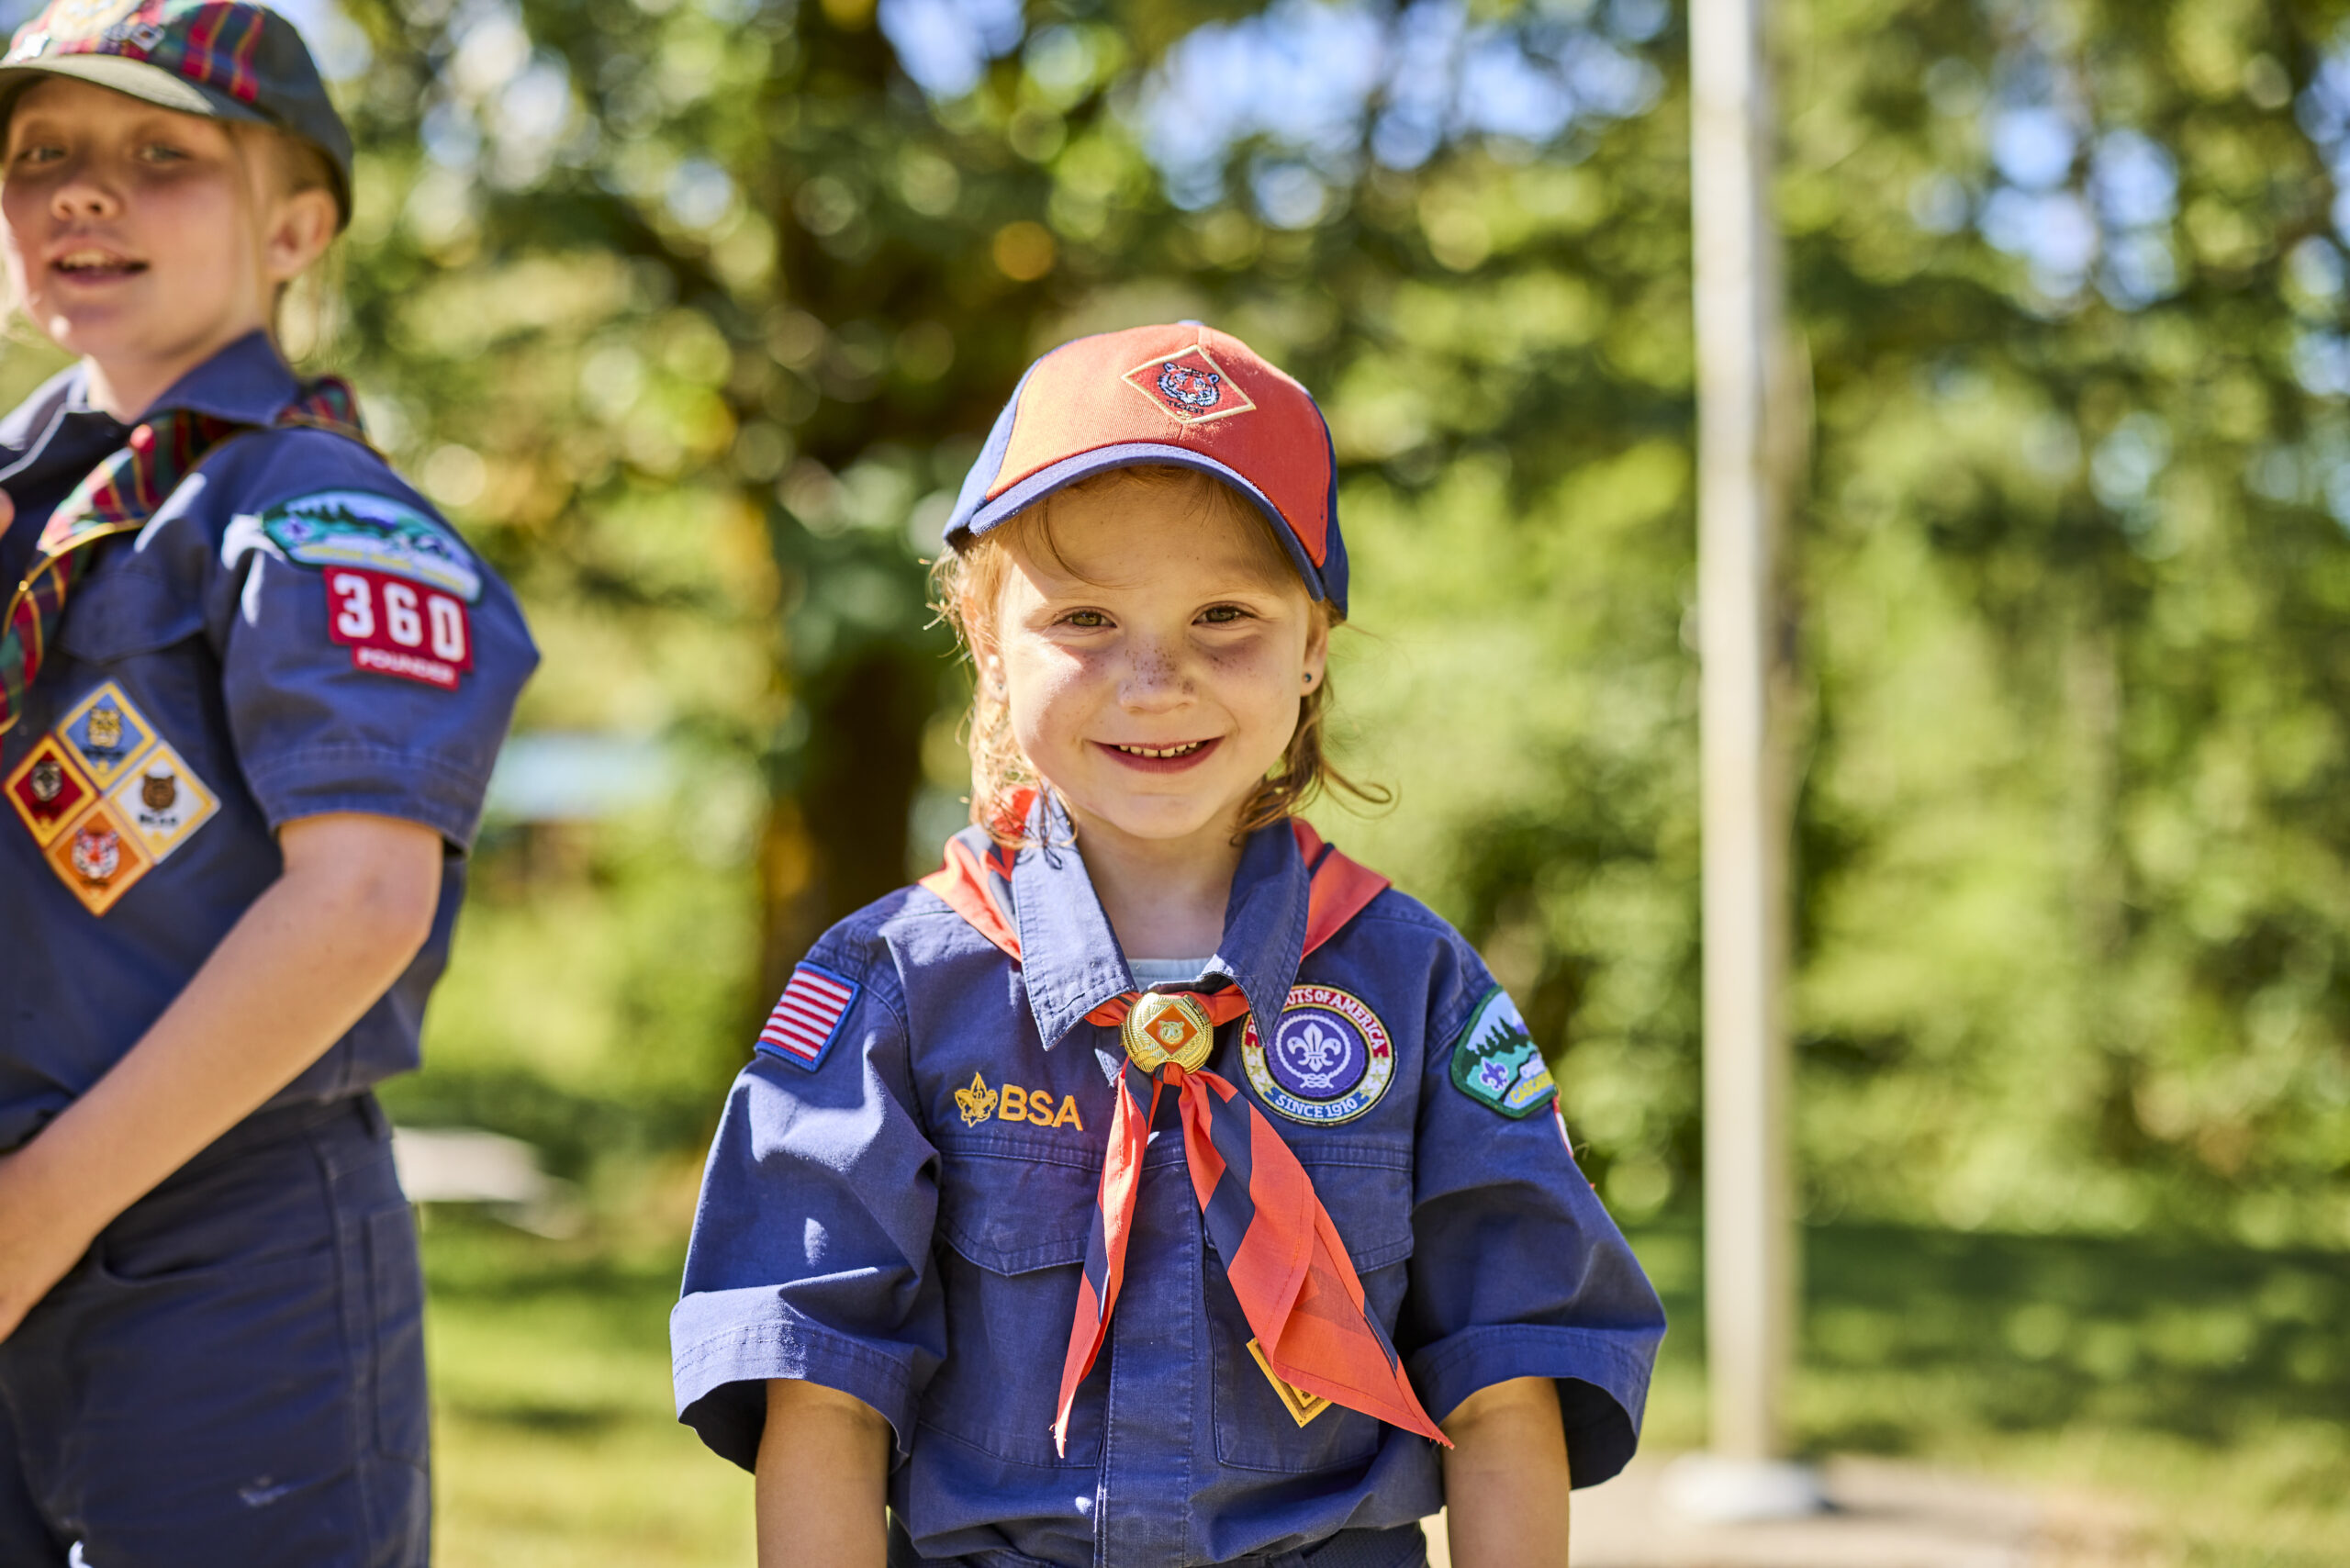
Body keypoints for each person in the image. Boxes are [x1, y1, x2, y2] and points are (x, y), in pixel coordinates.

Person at [671, 322, 1663, 1568]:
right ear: (985, 635)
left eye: (1224, 617)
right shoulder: (893, 992)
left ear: (1313, 648)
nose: (1156, 680)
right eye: (1085, 616)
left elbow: (1506, 1376)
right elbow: (822, 1391)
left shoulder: (1417, 988)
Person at [0, 3, 535, 1562]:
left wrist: (35, 1212)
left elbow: (361, 902)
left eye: (162, 153)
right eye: (42, 155)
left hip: (219, 1260)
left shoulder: (310, 517)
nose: (85, 192)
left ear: (297, 223)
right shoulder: (26, 509)